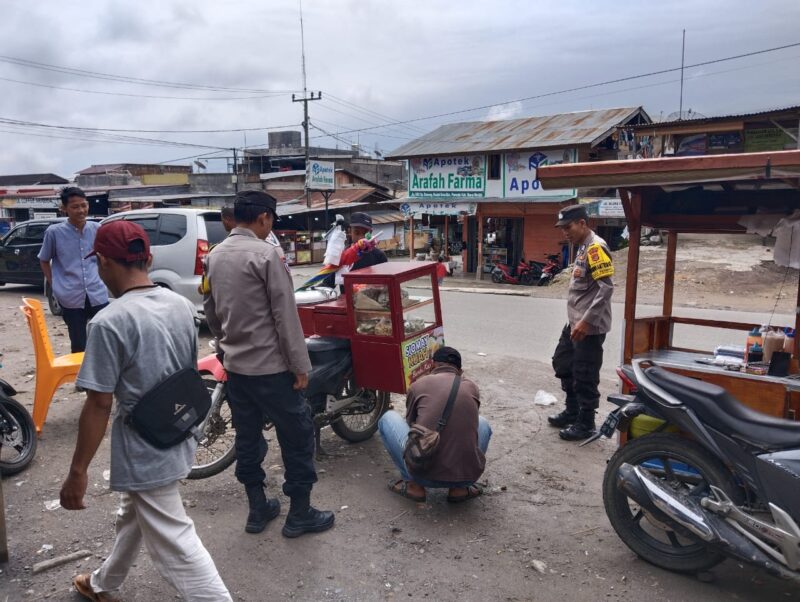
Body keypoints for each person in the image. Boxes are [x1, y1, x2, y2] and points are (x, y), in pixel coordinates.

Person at [59, 220, 231, 601]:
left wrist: (77, 472)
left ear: (102, 262)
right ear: (148, 258)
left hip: (144, 445)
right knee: (133, 513)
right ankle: (104, 583)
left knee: (176, 543)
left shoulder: (108, 322)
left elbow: (100, 402)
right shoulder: (181, 306)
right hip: (178, 430)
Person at [203, 190, 334, 538]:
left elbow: (211, 312)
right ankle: (300, 513)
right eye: (271, 220)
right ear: (263, 218)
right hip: (272, 370)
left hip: (236, 370)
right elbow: (285, 317)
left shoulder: (214, 256)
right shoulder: (266, 254)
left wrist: (225, 349)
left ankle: (257, 509)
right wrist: (300, 366)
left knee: (247, 438)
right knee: (298, 435)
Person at [378, 346, 491, 503]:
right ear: (460, 371)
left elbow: (412, 426)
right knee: (483, 423)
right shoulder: (472, 387)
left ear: (432, 366)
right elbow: (470, 426)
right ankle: (459, 489)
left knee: (387, 418)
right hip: (465, 477)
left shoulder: (419, 384)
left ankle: (414, 486)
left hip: (422, 474)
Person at [548, 204, 614, 441]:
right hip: (574, 322)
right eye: (562, 228)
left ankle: (586, 422)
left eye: (568, 227)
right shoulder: (582, 247)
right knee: (563, 361)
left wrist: (586, 322)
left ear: (583, 223)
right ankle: (572, 410)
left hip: (589, 327)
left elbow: (606, 289)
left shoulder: (596, 248)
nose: (565, 232)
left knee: (585, 373)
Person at [38, 187, 109, 353]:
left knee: (106, 338)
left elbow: (103, 257)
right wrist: (54, 284)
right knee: (79, 344)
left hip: (97, 292)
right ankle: (81, 376)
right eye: (75, 207)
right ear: (64, 209)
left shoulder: (97, 229)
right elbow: (43, 260)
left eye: (84, 205)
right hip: (70, 296)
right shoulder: (54, 233)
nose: (81, 210)